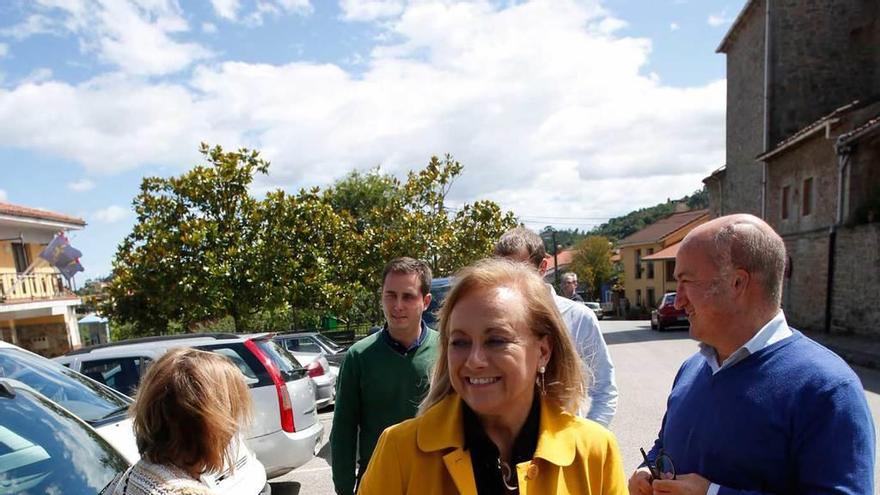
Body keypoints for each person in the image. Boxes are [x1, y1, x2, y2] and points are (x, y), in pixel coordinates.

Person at [628, 214, 876, 495]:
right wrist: (647, 468)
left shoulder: (827, 388)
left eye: (687, 281)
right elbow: (665, 444)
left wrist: (714, 494)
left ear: (737, 283)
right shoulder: (693, 368)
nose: (679, 298)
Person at [358, 258, 628, 495]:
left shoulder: (595, 453)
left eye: (496, 340)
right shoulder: (399, 450)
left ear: (543, 351)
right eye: (460, 342)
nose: (474, 360)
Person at [331, 257, 440, 495]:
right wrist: (344, 488)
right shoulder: (358, 357)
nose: (397, 305)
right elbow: (343, 430)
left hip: (434, 480)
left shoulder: (447, 351)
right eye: (390, 295)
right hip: (377, 481)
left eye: (408, 296)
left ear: (426, 301)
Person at [494, 227, 617, 427]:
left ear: (542, 267)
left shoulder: (579, 318)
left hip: (565, 451)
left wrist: (585, 443)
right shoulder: (491, 320)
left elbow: (604, 389)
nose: (509, 281)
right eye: (501, 271)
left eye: (519, 271)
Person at [105, 348, 253, 495]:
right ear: (212, 426)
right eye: (232, 413)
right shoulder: (183, 492)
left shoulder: (136, 474)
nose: (233, 428)